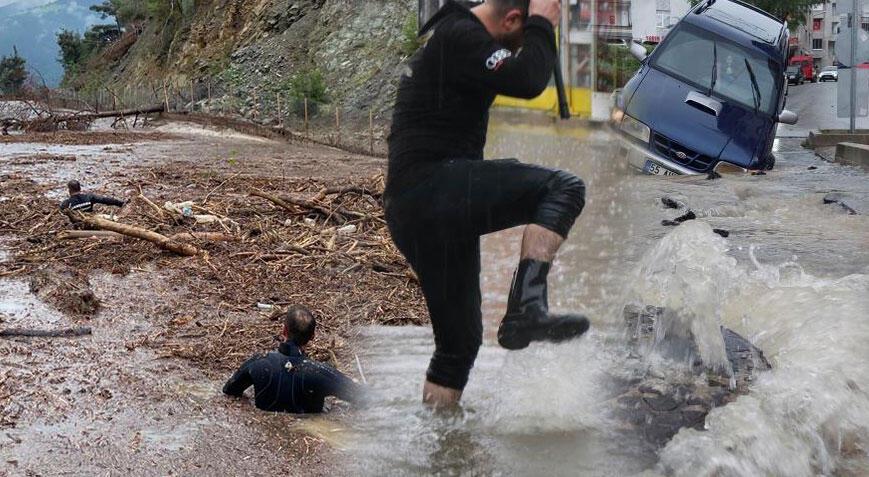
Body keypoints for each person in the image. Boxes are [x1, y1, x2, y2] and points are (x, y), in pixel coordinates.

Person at [385, 0, 590, 408]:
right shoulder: (460, 34)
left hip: (415, 208)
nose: (518, 47)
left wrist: (534, 26)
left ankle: (440, 447)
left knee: (458, 346)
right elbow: (528, 79)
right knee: (562, 189)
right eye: (519, 36)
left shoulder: (456, 36)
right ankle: (527, 306)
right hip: (432, 187)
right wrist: (542, 25)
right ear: (512, 19)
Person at [223, 305, 361, 413]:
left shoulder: (258, 362)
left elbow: (229, 390)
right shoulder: (321, 373)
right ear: (312, 336)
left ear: (284, 331)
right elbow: (362, 398)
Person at [59, 180, 125, 212]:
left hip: (78, 225)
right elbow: (105, 200)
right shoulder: (89, 197)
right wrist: (120, 203)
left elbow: (61, 210)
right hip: (91, 220)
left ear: (69, 190)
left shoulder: (67, 203)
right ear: (80, 188)